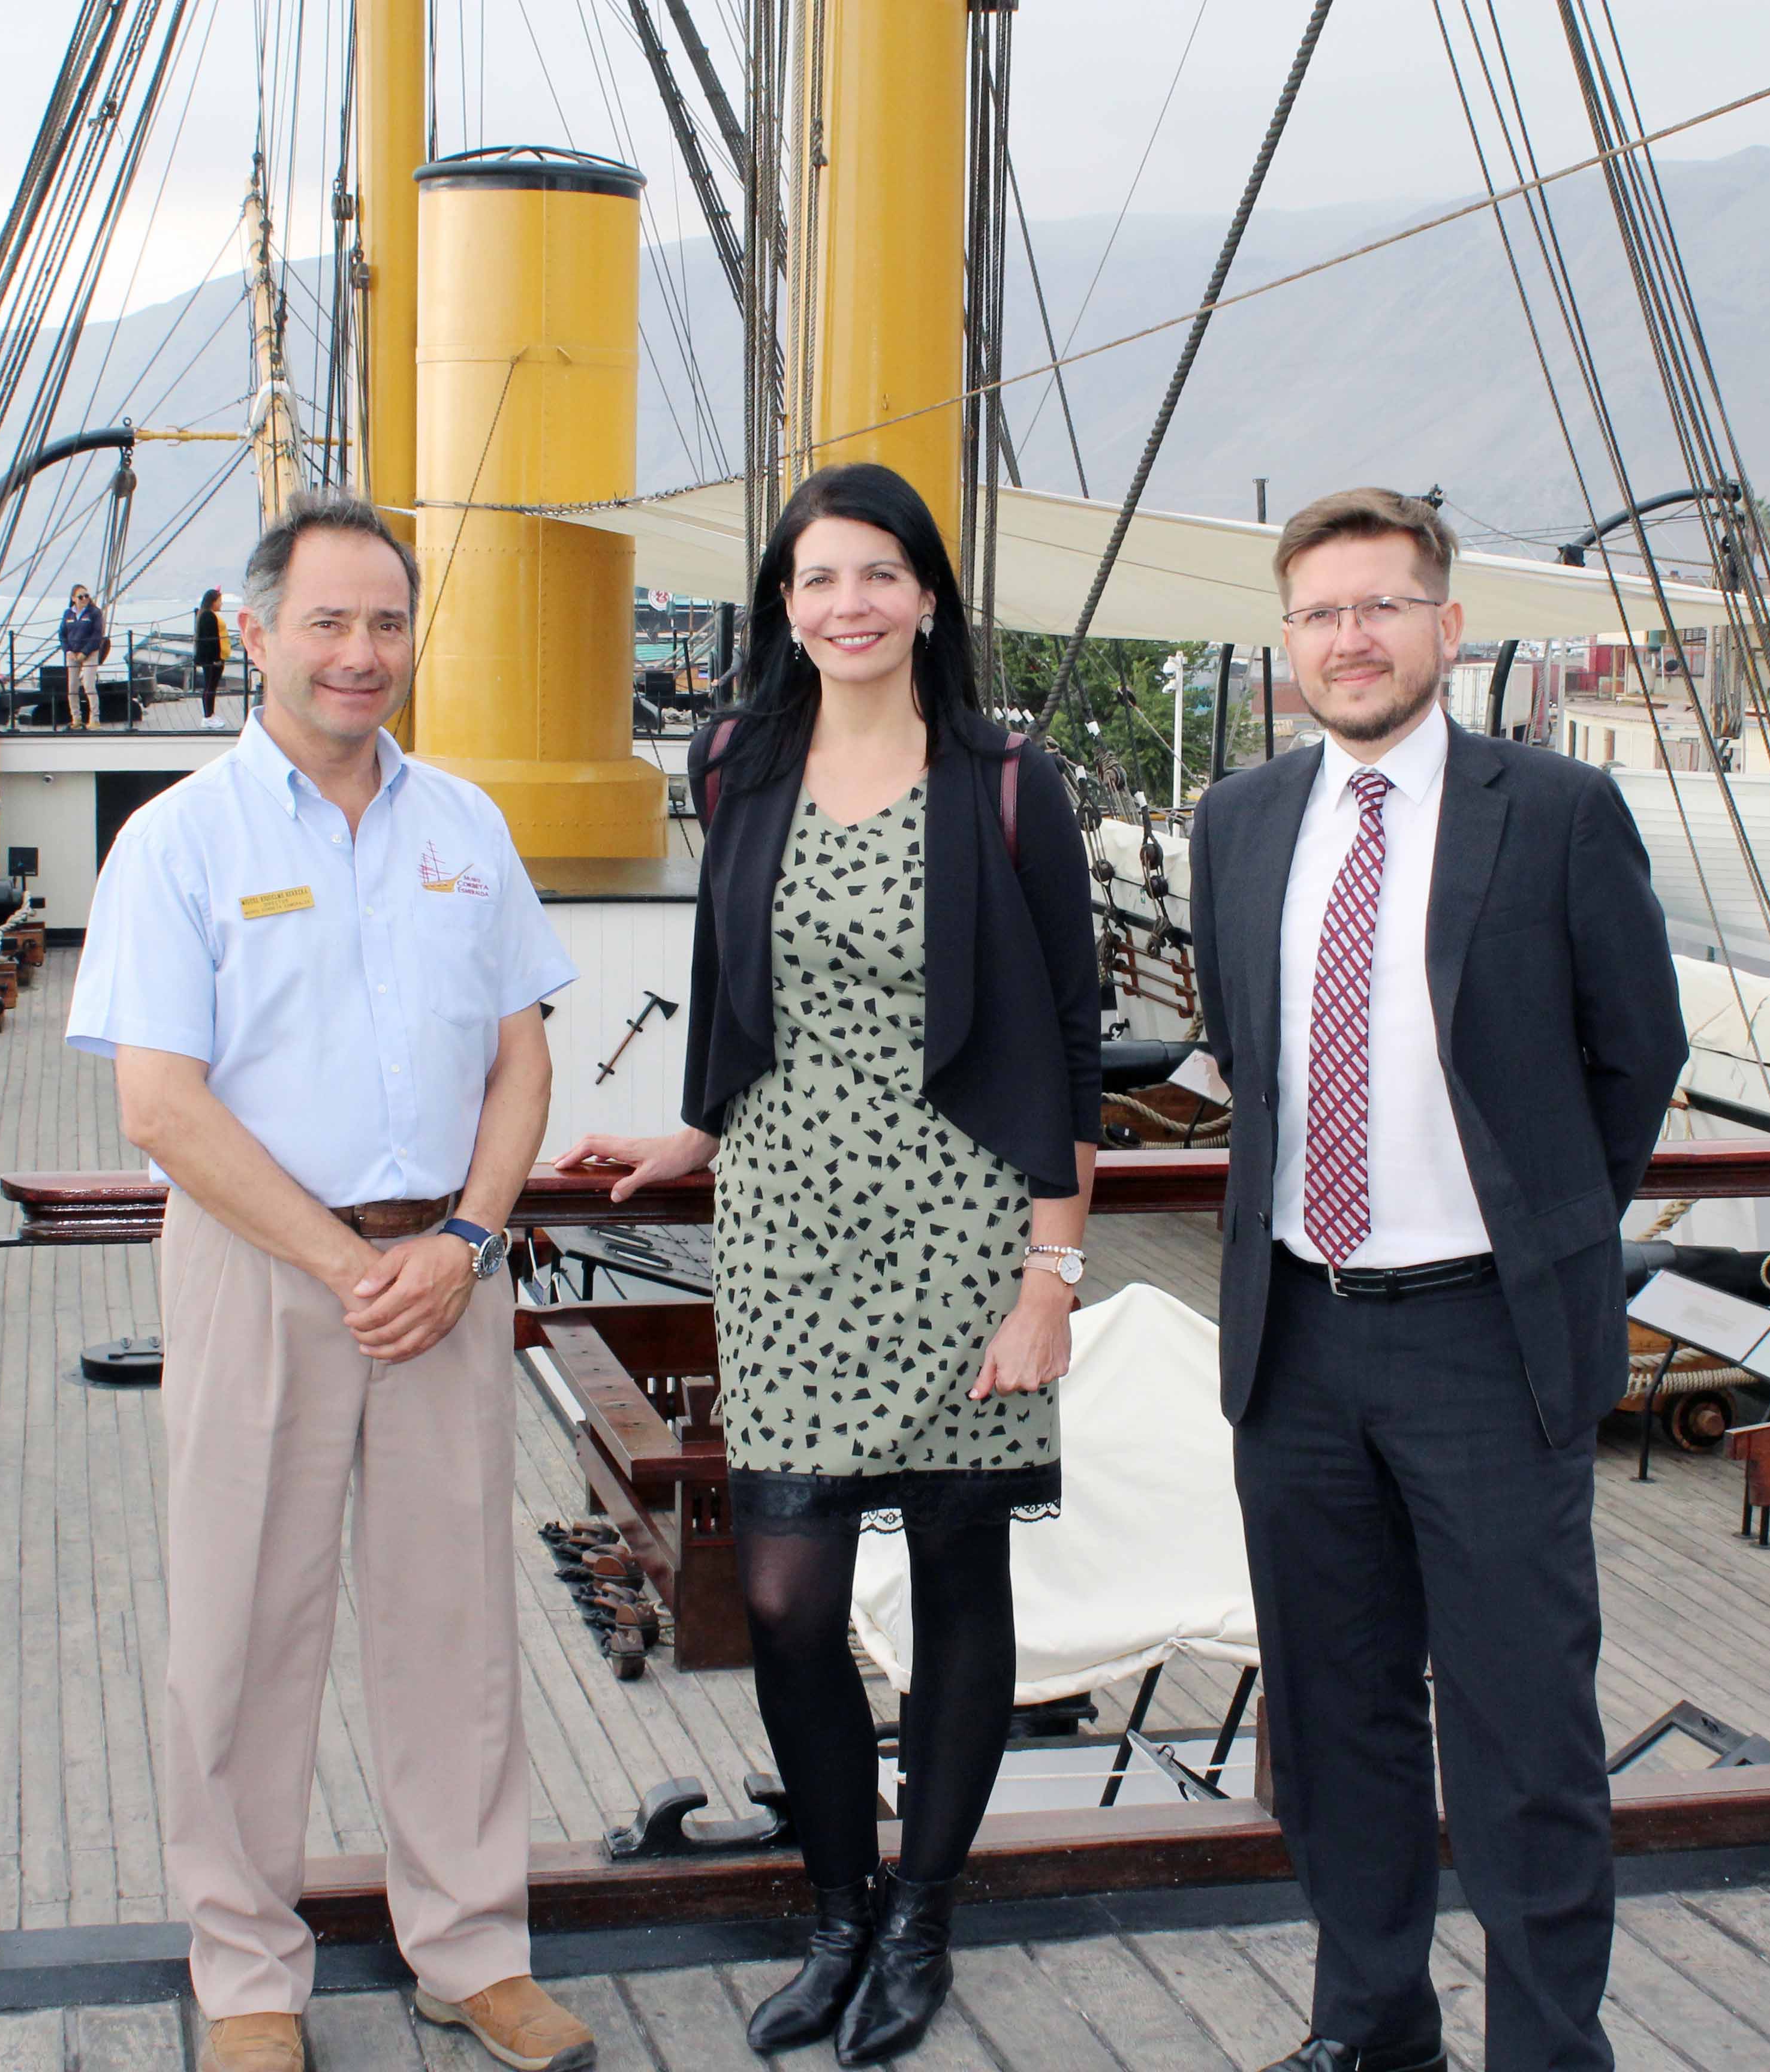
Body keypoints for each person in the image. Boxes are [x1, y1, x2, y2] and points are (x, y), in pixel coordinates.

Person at [559, 462, 1101, 2067]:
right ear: (782, 610)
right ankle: (837, 1906)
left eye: (877, 575)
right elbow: (731, 971)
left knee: (954, 1581)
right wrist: (699, 1131)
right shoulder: (737, 760)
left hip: (963, 1226)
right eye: (816, 580)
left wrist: (1049, 1280)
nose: (846, 604)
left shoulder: (1010, 782)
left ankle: (920, 1916)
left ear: (928, 596)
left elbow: (1072, 1044)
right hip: (789, 1218)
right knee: (786, 1593)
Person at [67, 495, 593, 2072]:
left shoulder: (466, 830)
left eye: (386, 624)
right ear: (256, 633)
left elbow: (521, 1061)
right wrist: (346, 1261)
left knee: (453, 1627)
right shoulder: (178, 844)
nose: (361, 654)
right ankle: (244, 1976)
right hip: (263, 1272)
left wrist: (469, 1242)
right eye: (329, 622)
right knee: (243, 1626)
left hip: (448, 1264)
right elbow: (158, 1104)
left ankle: (471, 1946)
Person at [1187, 488, 1687, 2072]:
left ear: (1447, 629)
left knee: (1525, 1741)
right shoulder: (1243, 822)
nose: (1352, 639)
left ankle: (1547, 2053)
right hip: (1299, 1345)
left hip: (1486, 1340)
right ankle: (1374, 2030)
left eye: (1382, 607)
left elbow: (1637, 1051)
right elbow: (1252, 1064)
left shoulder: (1551, 815)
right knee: (1336, 1734)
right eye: (1322, 614)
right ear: (1290, 644)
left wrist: (1538, 1232)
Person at [59, 583, 107, 729]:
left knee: (89, 685)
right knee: (72, 687)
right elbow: (62, 634)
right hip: (72, 654)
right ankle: (76, 718)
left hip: (90, 654)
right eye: (81, 597)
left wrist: (84, 653)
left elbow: (97, 635)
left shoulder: (94, 613)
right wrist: (68, 651)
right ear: (74, 599)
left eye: (87, 596)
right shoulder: (68, 614)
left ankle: (94, 719)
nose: (85, 599)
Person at [197, 586, 230, 730]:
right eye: (219, 601)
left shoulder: (207, 615)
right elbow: (211, 640)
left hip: (216, 657)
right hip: (212, 659)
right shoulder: (208, 616)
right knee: (210, 687)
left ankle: (210, 713)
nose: (221, 604)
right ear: (213, 602)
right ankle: (208, 716)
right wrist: (215, 658)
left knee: (212, 686)